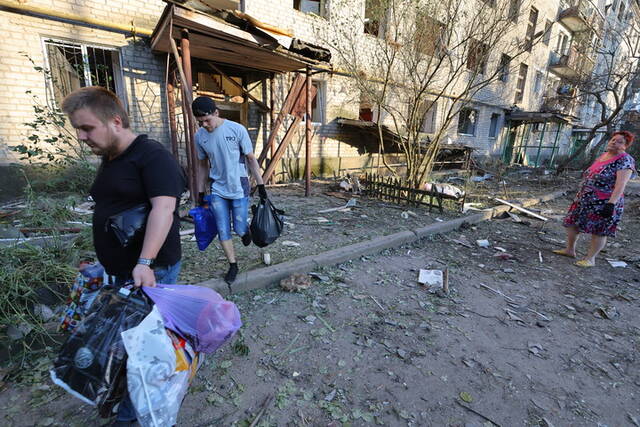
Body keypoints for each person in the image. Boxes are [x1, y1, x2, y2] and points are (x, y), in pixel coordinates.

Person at [61, 86, 186, 426]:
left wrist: (144, 262)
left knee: (139, 349)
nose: (82, 136)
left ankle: (132, 418)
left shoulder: (152, 156)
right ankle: (123, 402)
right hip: (121, 271)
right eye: (78, 129)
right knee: (121, 342)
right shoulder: (111, 159)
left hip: (150, 270)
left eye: (87, 128)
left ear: (115, 121)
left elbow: (164, 209)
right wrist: (102, 260)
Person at [192, 96, 267, 285]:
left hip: (238, 186)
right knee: (223, 228)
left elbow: (251, 159)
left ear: (216, 113)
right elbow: (202, 165)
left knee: (239, 227)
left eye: (207, 120)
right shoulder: (199, 136)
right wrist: (200, 192)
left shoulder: (237, 130)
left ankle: (245, 231)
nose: (205, 125)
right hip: (217, 189)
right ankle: (233, 264)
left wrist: (261, 186)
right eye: (200, 122)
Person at [554, 131, 636, 267]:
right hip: (584, 199)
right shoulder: (604, 155)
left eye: (619, 142)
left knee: (599, 230)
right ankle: (570, 250)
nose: (614, 143)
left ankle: (590, 259)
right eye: (613, 140)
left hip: (604, 202)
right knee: (571, 223)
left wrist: (611, 204)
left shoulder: (625, 160)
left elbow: (620, 185)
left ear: (626, 146)